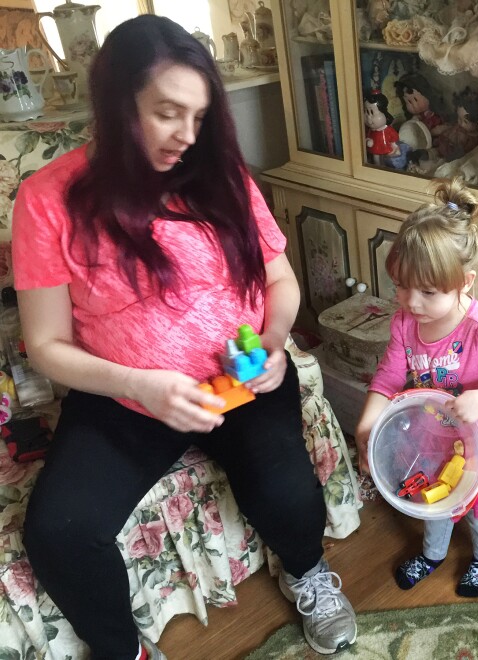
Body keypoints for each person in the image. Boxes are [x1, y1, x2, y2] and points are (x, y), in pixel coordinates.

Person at [11, 16, 356, 660]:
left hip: (239, 379)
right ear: (117, 105)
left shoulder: (218, 174)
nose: (187, 137)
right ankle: (124, 651)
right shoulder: (45, 200)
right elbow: (47, 344)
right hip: (125, 398)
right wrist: (141, 384)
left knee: (287, 491)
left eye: (198, 117)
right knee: (60, 530)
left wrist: (274, 347)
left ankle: (308, 572)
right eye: (169, 113)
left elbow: (281, 282)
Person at [354, 178, 478, 598]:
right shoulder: (405, 323)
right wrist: (366, 427)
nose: (411, 302)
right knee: (431, 497)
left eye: (427, 292)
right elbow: (386, 378)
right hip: (431, 432)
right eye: (401, 286)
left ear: (466, 282)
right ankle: (433, 554)